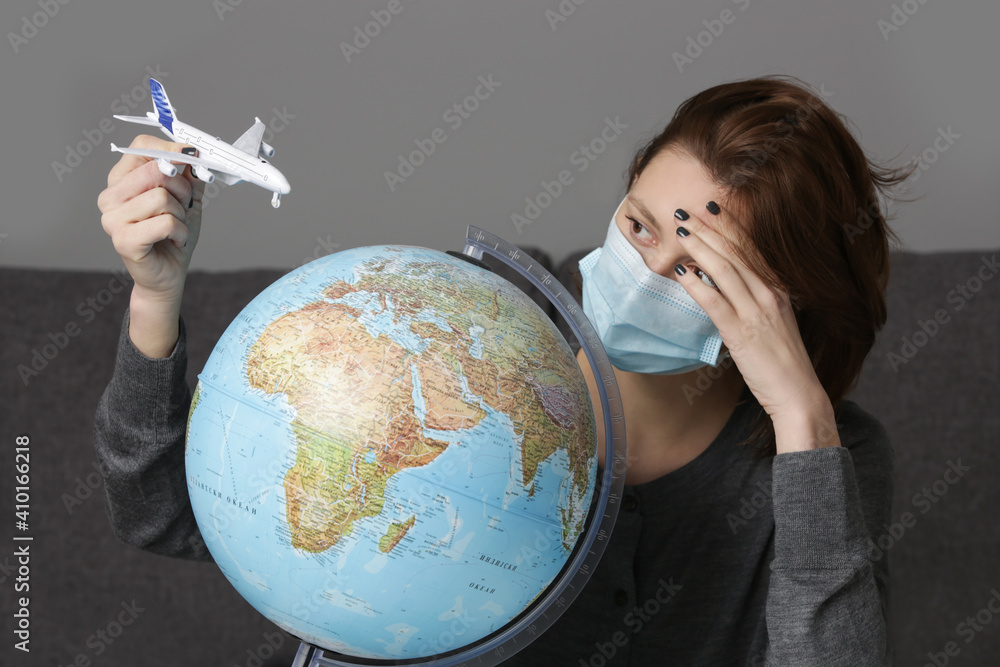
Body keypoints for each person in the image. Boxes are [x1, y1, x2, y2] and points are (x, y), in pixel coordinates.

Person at [94, 74, 912, 665]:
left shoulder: (822, 465)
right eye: (638, 223)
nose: (643, 265)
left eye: (700, 265)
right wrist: (156, 296)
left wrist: (804, 421)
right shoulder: (450, 329)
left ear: (779, 305)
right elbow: (163, 516)